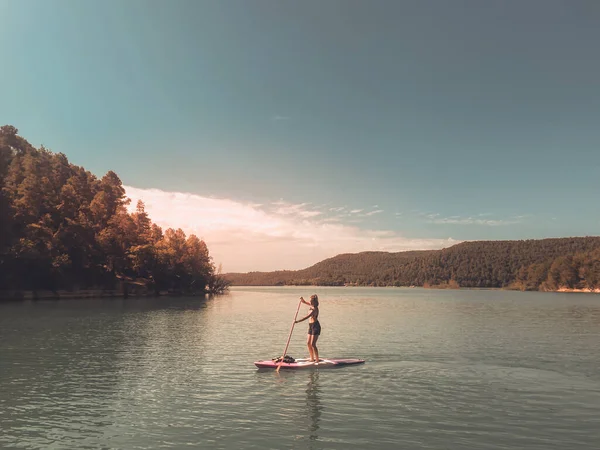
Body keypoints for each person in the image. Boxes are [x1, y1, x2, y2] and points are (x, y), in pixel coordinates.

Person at [295, 294, 321, 363]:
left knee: (313, 344)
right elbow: (305, 302)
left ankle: (317, 360)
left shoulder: (314, 309)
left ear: (314, 302)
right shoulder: (311, 305)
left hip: (316, 326)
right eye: (310, 300)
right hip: (310, 326)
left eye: (311, 300)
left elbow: (307, 317)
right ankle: (312, 358)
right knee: (308, 343)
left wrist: (297, 321)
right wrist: (302, 300)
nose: (310, 301)